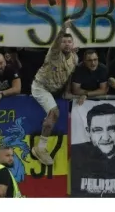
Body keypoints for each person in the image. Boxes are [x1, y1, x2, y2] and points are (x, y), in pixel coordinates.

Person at [30, 19, 76, 166]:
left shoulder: (74, 58)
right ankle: (40, 148)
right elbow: (56, 42)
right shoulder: (54, 53)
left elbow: (69, 75)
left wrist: (67, 92)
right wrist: (62, 29)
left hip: (56, 89)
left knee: (53, 116)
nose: (66, 44)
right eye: (64, 42)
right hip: (41, 87)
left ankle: (42, 141)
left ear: (73, 44)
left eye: (69, 42)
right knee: (54, 112)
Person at [71, 103, 115, 197]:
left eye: (112, 129)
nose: (105, 137)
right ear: (88, 132)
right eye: (98, 130)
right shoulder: (76, 155)